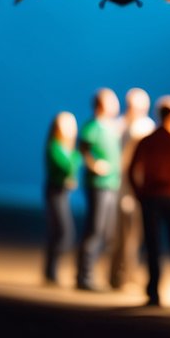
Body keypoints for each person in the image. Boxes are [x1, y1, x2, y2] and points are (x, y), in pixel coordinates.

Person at [128, 94, 170, 306]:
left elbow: (131, 169)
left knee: (153, 244)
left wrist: (139, 193)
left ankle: (154, 289)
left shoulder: (147, 141)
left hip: (151, 197)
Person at [75, 87, 122, 292]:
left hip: (112, 185)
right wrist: (94, 165)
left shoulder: (111, 127)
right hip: (98, 186)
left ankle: (99, 276)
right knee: (94, 230)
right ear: (102, 104)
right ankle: (84, 276)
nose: (116, 105)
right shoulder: (92, 126)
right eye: (112, 101)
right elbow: (83, 148)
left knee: (107, 232)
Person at [109, 87, 156, 291]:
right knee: (120, 234)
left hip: (137, 188)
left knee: (134, 234)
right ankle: (116, 275)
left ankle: (129, 273)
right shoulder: (120, 126)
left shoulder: (145, 126)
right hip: (122, 187)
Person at [43, 111, 82, 285]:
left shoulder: (66, 147)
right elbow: (67, 166)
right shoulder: (55, 146)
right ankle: (51, 270)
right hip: (55, 191)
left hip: (62, 191)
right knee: (63, 231)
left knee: (60, 231)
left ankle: (51, 271)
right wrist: (75, 156)